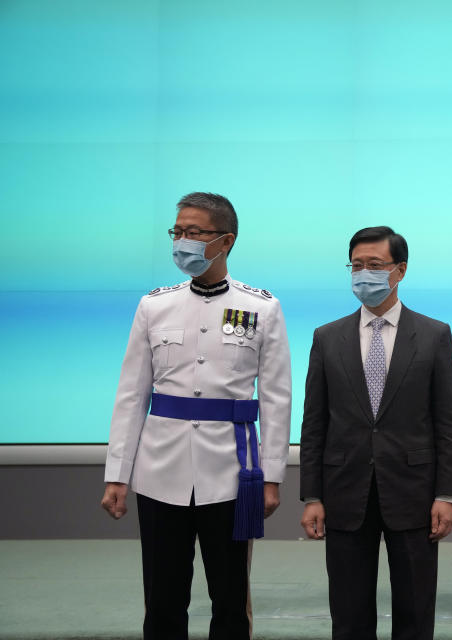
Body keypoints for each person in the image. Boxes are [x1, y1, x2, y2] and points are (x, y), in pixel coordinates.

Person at [100, 192, 292, 639]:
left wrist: (272, 477)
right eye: (178, 232)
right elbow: (132, 394)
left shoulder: (262, 308)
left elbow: (277, 398)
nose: (182, 241)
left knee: (229, 599)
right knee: (163, 599)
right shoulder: (154, 305)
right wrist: (117, 473)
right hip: (158, 474)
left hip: (231, 475)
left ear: (225, 241)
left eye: (194, 232)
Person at [299, 226, 452, 640]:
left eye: (375, 265)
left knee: (415, 607)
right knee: (349, 612)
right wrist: (312, 495)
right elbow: (315, 422)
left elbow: (447, 421)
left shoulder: (433, 335)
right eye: (356, 265)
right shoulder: (326, 337)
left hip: (413, 490)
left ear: (400, 270)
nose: (363, 274)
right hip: (343, 490)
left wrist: (447, 494)